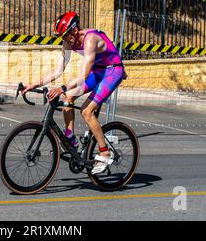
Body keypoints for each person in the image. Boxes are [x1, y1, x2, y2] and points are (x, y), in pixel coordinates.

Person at [21, 11, 127, 174]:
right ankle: (70, 138)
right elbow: (58, 71)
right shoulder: (68, 43)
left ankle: (104, 152)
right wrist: (32, 84)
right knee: (67, 97)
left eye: (65, 35)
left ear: (75, 30)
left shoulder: (90, 39)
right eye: (61, 37)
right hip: (99, 70)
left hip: (112, 71)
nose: (64, 40)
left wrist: (62, 87)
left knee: (86, 111)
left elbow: (84, 74)